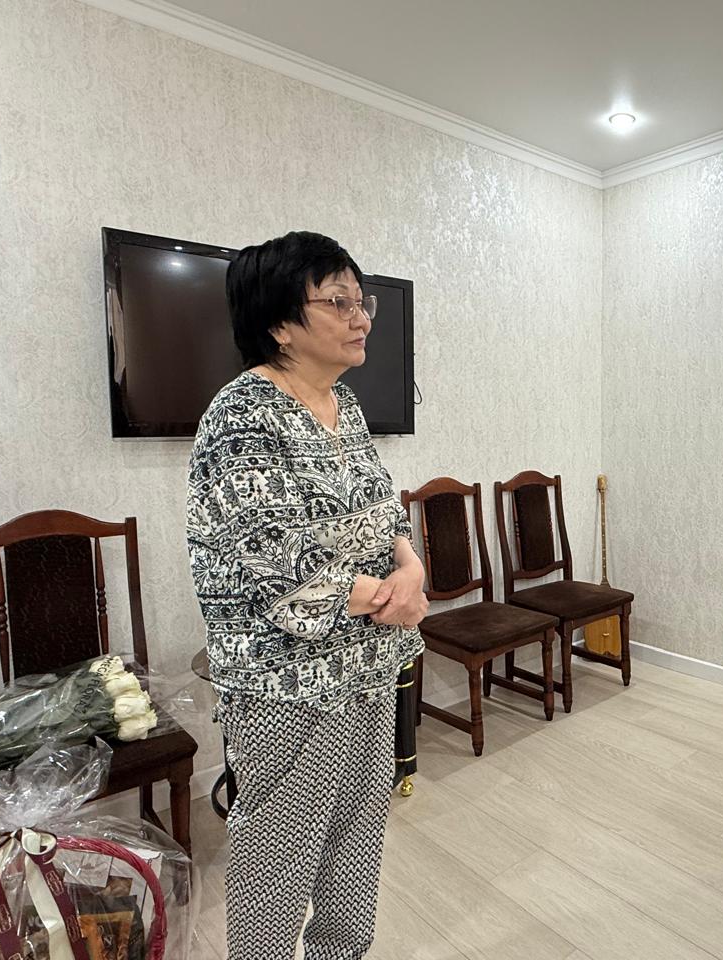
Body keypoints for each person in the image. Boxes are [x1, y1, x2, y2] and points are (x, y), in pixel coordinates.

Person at [186, 231, 428, 960]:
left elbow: (385, 512)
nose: (361, 317)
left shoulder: (344, 404)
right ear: (280, 323)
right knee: (279, 862)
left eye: (362, 300)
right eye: (338, 301)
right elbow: (272, 561)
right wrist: (387, 597)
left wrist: (411, 568)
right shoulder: (241, 414)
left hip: (369, 667)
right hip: (287, 685)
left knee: (357, 843)